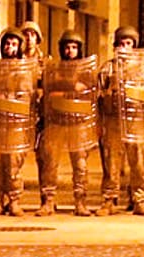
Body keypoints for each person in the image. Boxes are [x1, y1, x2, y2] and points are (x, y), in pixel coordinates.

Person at [98, 25, 144, 216]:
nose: (125, 47)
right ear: (115, 46)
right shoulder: (108, 68)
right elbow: (98, 96)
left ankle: (139, 200)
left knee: (138, 162)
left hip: (136, 121)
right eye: (121, 44)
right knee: (112, 162)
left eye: (129, 43)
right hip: (113, 121)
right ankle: (109, 200)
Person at [36, 30, 98, 216]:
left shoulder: (86, 70)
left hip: (78, 123)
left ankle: (80, 201)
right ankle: (48, 201)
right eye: (67, 47)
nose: (70, 51)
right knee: (51, 164)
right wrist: (71, 87)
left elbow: (89, 94)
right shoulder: (53, 70)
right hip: (56, 121)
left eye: (74, 47)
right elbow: (50, 90)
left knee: (80, 165)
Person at [0, 27, 38, 215]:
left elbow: (26, 98)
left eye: (14, 44)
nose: (9, 47)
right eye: (7, 43)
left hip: (15, 126)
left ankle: (14, 200)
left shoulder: (24, 71)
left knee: (13, 166)